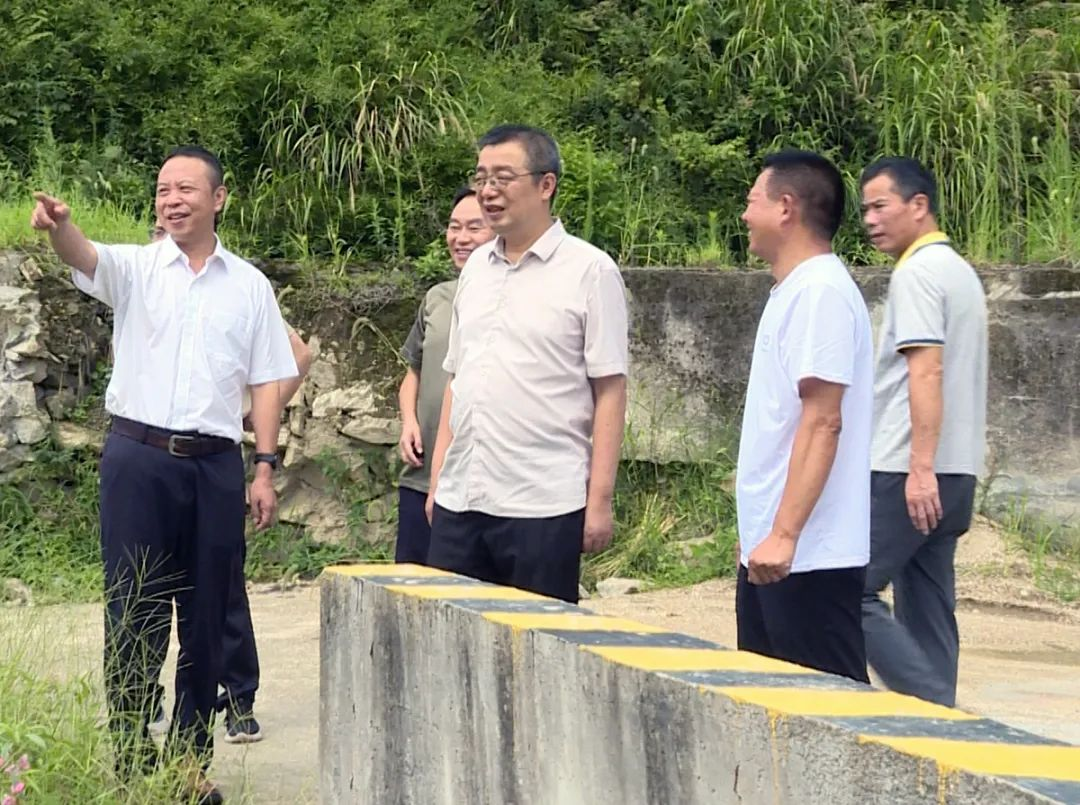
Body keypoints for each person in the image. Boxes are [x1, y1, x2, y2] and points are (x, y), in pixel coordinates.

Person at [31, 146, 298, 804]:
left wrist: (264, 466)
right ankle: (130, 756)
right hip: (138, 458)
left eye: (185, 189)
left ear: (218, 198)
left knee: (206, 615)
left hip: (215, 465)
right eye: (162, 190)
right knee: (133, 609)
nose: (171, 200)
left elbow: (269, 379)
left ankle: (187, 759)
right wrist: (61, 226)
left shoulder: (249, 287)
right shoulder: (138, 267)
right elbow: (83, 256)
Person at [424, 124, 629, 603]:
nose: (487, 191)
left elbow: (610, 390)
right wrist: (437, 483)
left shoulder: (590, 271)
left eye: (502, 177)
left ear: (545, 185)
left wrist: (599, 501)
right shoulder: (476, 268)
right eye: (481, 178)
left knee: (538, 641)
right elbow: (457, 378)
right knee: (452, 636)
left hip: (542, 504)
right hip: (461, 499)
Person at [143, 221, 312, 744]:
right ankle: (145, 698)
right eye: (155, 231)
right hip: (151, 460)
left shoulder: (235, 289)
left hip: (213, 456)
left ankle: (238, 697)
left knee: (221, 587)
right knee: (147, 585)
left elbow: (298, 354)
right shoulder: (146, 288)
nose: (164, 239)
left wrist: (253, 412)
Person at [735, 150, 874, 683]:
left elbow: (823, 421)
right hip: (776, 551)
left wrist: (785, 533)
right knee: (769, 704)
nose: (745, 214)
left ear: (786, 207)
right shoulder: (793, 289)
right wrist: (758, 530)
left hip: (809, 557)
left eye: (753, 201)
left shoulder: (820, 292)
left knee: (831, 711)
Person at [859, 157, 988, 707]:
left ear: (919, 205)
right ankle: (941, 730)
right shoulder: (959, 272)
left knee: (847, 591)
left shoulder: (916, 273)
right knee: (928, 603)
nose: (870, 220)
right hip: (957, 470)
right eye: (865, 210)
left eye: (880, 206)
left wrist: (918, 468)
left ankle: (935, 704)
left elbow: (926, 371)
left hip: (906, 468)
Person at [396, 188, 493, 563]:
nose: (461, 238)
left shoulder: (510, 300)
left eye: (474, 227)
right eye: (454, 227)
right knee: (411, 583)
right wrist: (409, 421)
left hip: (476, 479)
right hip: (421, 473)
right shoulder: (437, 297)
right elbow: (413, 371)